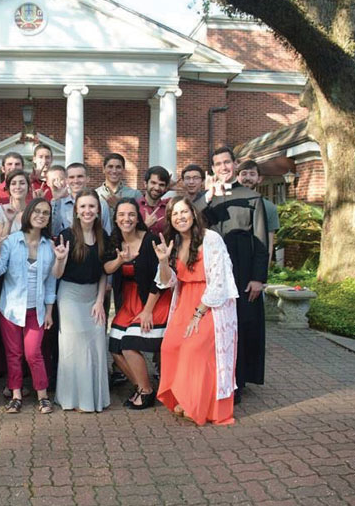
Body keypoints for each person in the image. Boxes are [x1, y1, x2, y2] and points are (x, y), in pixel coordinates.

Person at [154, 196, 238, 425]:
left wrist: (199, 313)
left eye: (184, 212)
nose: (180, 217)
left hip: (211, 304)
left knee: (194, 348)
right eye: (175, 214)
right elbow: (167, 282)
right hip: (184, 302)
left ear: (193, 213)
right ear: (170, 220)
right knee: (170, 346)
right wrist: (162, 262)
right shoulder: (174, 244)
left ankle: (197, 404)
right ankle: (183, 397)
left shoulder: (211, 239)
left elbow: (219, 281)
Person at [195, 146, 269, 402]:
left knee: (239, 325)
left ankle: (236, 381)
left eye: (227, 162)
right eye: (218, 164)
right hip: (212, 271)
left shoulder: (252, 197)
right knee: (213, 325)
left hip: (242, 269)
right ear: (213, 168)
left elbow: (261, 241)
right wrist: (208, 194)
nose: (223, 167)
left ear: (235, 165)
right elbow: (191, 218)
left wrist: (259, 278)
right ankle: (212, 377)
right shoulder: (208, 198)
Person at [0, 198, 59, 414]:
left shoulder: (50, 245)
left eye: (45, 213)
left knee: (33, 353)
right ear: (28, 213)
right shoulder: (11, 241)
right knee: (14, 353)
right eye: (37, 211)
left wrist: (49, 311)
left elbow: (51, 281)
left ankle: (43, 395)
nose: (41, 215)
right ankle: (16, 394)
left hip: (36, 310)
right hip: (10, 309)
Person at [103, 198, 172, 409]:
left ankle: (147, 392)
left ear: (138, 217)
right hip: (129, 300)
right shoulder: (114, 241)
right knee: (114, 346)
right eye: (122, 214)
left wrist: (148, 311)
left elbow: (160, 280)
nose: (127, 218)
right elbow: (106, 268)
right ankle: (142, 386)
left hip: (153, 299)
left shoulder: (149, 241)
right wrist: (121, 260)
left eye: (131, 214)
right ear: (115, 218)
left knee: (129, 344)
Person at [52, 189, 110, 412]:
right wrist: (60, 260)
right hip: (70, 296)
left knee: (96, 344)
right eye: (83, 207)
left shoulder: (103, 236)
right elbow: (57, 274)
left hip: (94, 296)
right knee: (73, 347)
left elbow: (105, 271)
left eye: (91, 207)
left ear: (98, 210)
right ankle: (72, 398)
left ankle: (93, 398)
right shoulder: (67, 236)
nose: (87, 211)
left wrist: (99, 301)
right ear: (76, 211)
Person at [236, 160, 280, 269]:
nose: (248, 178)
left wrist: (263, 271)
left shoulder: (270, 208)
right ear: (237, 177)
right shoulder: (228, 204)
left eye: (252, 174)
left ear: (259, 179)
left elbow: (268, 243)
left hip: (253, 264)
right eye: (244, 173)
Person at [51, 163, 112, 236]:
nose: (76, 181)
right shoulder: (59, 204)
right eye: (71, 177)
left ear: (87, 179)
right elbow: (54, 232)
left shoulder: (101, 204)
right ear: (66, 180)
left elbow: (107, 233)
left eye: (80, 176)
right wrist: (56, 200)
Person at [0, 169, 30, 237]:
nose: (18, 187)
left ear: (28, 187)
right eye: (13, 184)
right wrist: (9, 222)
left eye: (22, 183)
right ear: (8, 188)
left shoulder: (33, 212)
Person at [137, 166, 170, 236]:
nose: (157, 188)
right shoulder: (135, 207)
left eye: (161, 185)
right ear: (145, 184)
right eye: (153, 183)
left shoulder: (169, 209)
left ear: (166, 188)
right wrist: (145, 225)